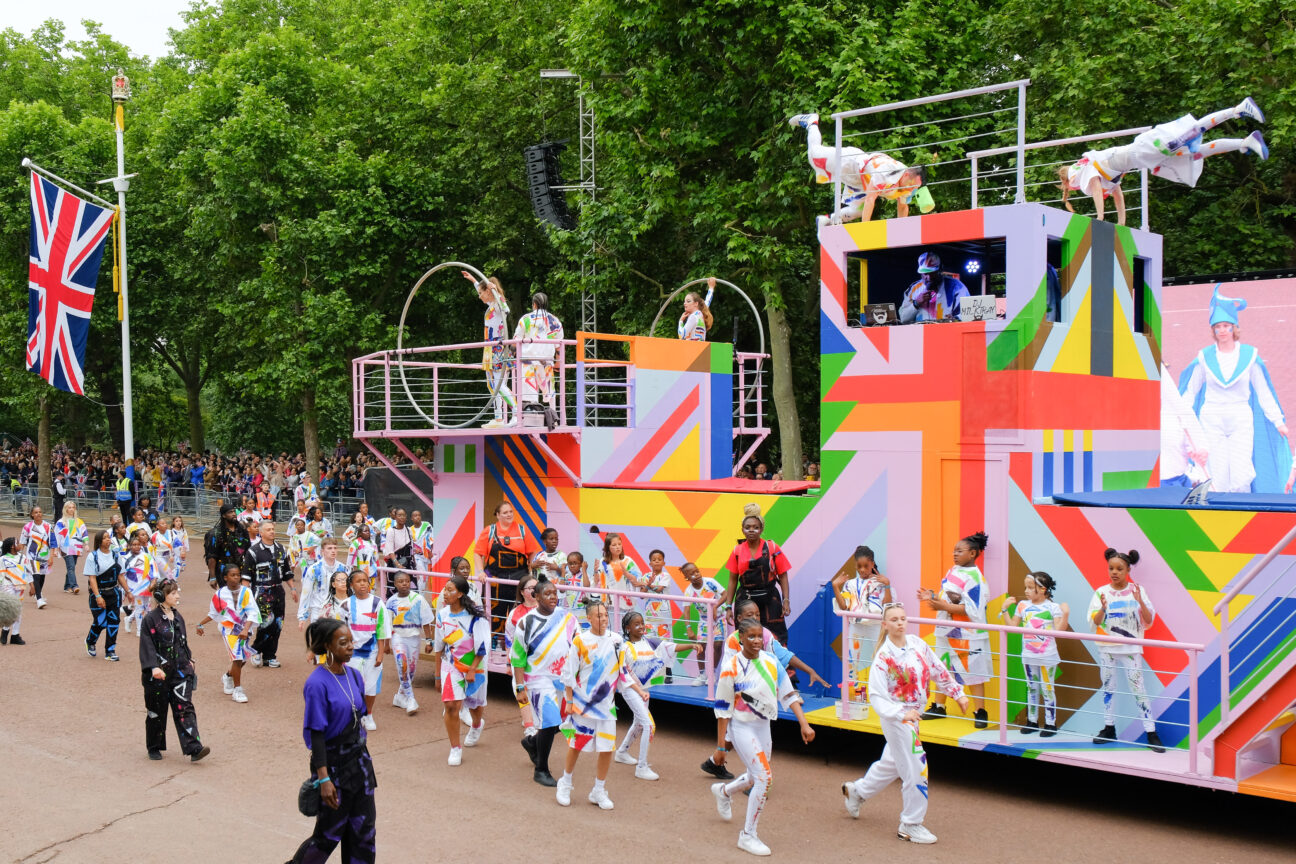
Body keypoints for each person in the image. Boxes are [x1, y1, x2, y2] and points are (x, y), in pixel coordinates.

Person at [841, 603, 970, 845]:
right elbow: (877, 696)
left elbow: (937, 668)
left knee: (891, 762)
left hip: (913, 716)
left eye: (902, 618)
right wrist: (900, 713)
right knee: (916, 766)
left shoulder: (918, 644)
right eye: (894, 619)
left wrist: (957, 693)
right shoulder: (883, 658)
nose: (900, 622)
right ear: (885, 624)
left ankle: (857, 791)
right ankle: (910, 824)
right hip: (897, 719)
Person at [1061, 98, 1267, 222]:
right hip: (1147, 157)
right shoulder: (1102, 170)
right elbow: (1117, 195)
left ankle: (1238, 110)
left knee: (1192, 132)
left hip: (1144, 151)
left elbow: (1096, 187)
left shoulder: (1086, 174)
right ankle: (1244, 143)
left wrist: (1100, 216)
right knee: (1197, 153)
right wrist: (1121, 223)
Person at [711, 616, 816, 857]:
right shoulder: (731, 668)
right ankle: (748, 835)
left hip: (763, 726)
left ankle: (724, 792)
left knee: (754, 777)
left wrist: (804, 724)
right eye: (751, 636)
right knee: (764, 778)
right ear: (741, 638)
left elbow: (789, 694)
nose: (757, 640)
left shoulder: (771, 661)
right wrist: (721, 748)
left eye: (760, 636)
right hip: (741, 728)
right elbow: (722, 710)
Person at [1179, 286, 1290, 493]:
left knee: (1241, 474)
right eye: (1218, 326)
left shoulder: (1250, 356)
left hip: (1240, 417)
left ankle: (1243, 514)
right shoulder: (1204, 357)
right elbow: (1190, 392)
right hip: (1211, 417)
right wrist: (1181, 418)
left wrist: (1277, 421)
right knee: (1216, 476)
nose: (1222, 330)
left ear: (1234, 328)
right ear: (1213, 330)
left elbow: (1264, 392)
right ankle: (1216, 515)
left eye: (1226, 326)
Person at [292, 619, 377, 864]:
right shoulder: (317, 683)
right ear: (327, 646)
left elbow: (358, 716)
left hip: (360, 765)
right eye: (343, 643)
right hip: (333, 766)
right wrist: (324, 778)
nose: (351, 646)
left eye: (351, 641)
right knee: (328, 835)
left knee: (364, 832)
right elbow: (316, 734)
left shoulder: (355, 675)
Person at [556, 599, 645, 810]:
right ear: (588, 618)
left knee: (607, 748)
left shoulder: (616, 641)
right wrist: (569, 701)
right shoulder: (580, 641)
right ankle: (565, 782)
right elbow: (569, 673)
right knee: (577, 745)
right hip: (582, 704)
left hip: (607, 705)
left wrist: (639, 690)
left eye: (605, 615)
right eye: (598, 616)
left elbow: (622, 670)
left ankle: (599, 789)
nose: (603, 619)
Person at [788, 113, 933, 225]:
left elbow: (902, 207)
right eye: (912, 185)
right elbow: (870, 199)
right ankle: (811, 122)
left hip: (861, 181)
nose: (911, 190)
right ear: (906, 174)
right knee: (814, 156)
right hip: (850, 163)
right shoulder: (886, 172)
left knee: (856, 211)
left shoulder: (908, 185)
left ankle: (826, 219)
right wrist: (865, 229)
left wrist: (902, 231)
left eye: (915, 188)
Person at [1088, 548, 1162, 751]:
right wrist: (1102, 608)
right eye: (1111, 568)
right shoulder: (1101, 592)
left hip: (1130, 648)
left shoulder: (1138, 590)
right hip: (1107, 648)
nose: (1114, 572)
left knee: (1139, 689)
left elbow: (1148, 621)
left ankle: (1151, 732)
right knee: (1108, 688)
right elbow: (1094, 621)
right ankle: (1108, 728)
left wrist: (1140, 602)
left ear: (1128, 569)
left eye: (1119, 568)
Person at [511, 576, 579, 787]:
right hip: (537, 678)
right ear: (536, 596)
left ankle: (532, 743)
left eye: (555, 594)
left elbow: (578, 646)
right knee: (550, 721)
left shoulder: (568, 618)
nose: (552, 598)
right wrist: (520, 686)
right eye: (547, 594)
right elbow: (518, 656)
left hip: (561, 678)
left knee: (559, 722)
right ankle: (541, 770)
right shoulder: (526, 622)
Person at [615, 609, 699, 780]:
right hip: (630, 690)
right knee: (649, 725)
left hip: (644, 690)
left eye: (642, 623)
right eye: (636, 624)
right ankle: (642, 766)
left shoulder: (650, 642)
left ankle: (622, 752)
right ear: (627, 628)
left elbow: (671, 647)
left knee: (639, 723)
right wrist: (639, 691)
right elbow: (624, 672)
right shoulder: (624, 647)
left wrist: (691, 645)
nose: (641, 627)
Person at [919, 531, 990, 728]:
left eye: (960, 551)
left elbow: (973, 610)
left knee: (973, 670)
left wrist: (943, 607)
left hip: (967, 634)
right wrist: (931, 595)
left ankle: (980, 711)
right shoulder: (953, 571)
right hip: (946, 630)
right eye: (954, 550)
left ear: (973, 553)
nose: (955, 554)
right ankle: (939, 706)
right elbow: (949, 597)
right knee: (942, 667)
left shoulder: (976, 578)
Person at [139, 578, 211, 762]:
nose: (177, 596)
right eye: (173, 593)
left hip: (180, 672)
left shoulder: (178, 617)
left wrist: (189, 659)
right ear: (161, 595)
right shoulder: (150, 619)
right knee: (156, 711)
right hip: (158, 675)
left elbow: (182, 642)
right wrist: (154, 666)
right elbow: (147, 645)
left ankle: (194, 748)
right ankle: (154, 746)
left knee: (184, 708)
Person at [1001, 571, 1069, 736]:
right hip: (1028, 655)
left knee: (1047, 689)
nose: (1026, 591)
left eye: (1030, 588)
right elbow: (1013, 628)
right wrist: (1004, 610)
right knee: (1031, 687)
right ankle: (1032, 721)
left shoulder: (1053, 607)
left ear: (1043, 589)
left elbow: (1060, 631)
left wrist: (1065, 614)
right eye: (1026, 587)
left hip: (1047, 656)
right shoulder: (1023, 605)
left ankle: (1050, 723)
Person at [432, 573, 489, 765]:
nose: (445, 594)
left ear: (460, 594)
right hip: (451, 664)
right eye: (444, 589)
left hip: (474, 665)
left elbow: (482, 647)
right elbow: (439, 646)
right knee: (451, 705)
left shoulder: (475, 616)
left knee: (475, 704)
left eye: (450, 590)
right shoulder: (442, 615)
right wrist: (437, 676)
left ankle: (476, 725)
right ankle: (455, 748)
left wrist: (472, 669)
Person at [831, 545, 892, 713]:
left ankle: (883, 696)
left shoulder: (881, 582)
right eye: (859, 566)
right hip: (856, 626)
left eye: (866, 566)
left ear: (872, 563)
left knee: (881, 660)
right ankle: (855, 698)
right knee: (852, 662)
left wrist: (887, 586)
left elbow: (888, 605)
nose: (862, 570)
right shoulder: (850, 584)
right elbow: (844, 607)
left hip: (875, 626)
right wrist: (836, 587)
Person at [719, 509, 793, 644]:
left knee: (776, 638)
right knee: (746, 638)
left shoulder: (772, 548)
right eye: (747, 527)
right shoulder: (737, 551)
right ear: (742, 530)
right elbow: (732, 580)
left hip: (770, 600)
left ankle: (775, 665)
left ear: (761, 529)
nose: (751, 530)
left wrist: (786, 600)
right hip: (745, 601)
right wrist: (729, 606)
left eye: (755, 527)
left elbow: (783, 576)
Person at [195, 564, 261, 704]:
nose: (236, 578)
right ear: (225, 578)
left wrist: (245, 629)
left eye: (238, 575)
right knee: (237, 658)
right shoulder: (219, 595)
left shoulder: (246, 592)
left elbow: (252, 612)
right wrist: (200, 624)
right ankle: (238, 690)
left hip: (245, 630)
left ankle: (228, 676)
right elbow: (213, 614)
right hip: (229, 630)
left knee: (242, 659)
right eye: (233, 575)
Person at [475, 501, 540, 643]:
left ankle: (517, 642)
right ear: (498, 515)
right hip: (495, 581)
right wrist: (481, 572)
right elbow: (478, 553)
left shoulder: (522, 530)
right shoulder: (489, 531)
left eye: (511, 511)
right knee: (494, 612)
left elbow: (532, 552)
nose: (509, 514)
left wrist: (529, 568)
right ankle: (493, 642)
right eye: (505, 512)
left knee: (518, 611)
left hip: (519, 579)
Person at [464, 269, 516, 428]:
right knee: (492, 384)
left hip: (498, 347)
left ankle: (517, 412)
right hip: (489, 348)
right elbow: (484, 293)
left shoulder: (499, 306)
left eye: (481, 292)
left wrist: (495, 290)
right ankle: (499, 418)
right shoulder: (491, 305)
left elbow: (505, 308)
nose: (479, 296)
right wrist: (473, 280)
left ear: (489, 291)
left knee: (498, 384)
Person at [245, 521, 297, 669]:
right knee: (266, 624)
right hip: (262, 592)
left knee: (278, 625)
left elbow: (287, 572)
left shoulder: (281, 549)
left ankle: (270, 656)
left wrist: (293, 589)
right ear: (261, 533)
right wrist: (243, 597)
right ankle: (256, 650)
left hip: (278, 591)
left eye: (273, 529)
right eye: (268, 529)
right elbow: (246, 576)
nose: (272, 531)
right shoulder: (253, 551)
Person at [385, 571, 434, 716]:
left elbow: (426, 622)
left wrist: (429, 640)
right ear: (395, 584)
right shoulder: (391, 601)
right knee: (402, 665)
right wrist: (386, 644)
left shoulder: (418, 599)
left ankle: (400, 696)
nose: (404, 584)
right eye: (401, 581)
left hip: (414, 637)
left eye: (407, 581)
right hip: (398, 637)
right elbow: (387, 624)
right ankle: (411, 699)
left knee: (411, 670)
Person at [345, 570, 390, 730]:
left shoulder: (378, 604)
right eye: (358, 581)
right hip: (352, 654)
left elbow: (382, 630)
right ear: (351, 585)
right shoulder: (346, 605)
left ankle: (368, 714)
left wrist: (380, 653)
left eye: (365, 580)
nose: (363, 584)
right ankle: (354, 715)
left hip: (371, 653)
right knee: (353, 685)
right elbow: (340, 631)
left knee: (371, 686)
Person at [513, 291, 564, 416]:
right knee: (550, 391)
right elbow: (559, 346)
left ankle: (533, 417)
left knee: (530, 392)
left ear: (534, 304)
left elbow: (515, 342)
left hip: (528, 361)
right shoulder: (555, 321)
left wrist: (512, 355)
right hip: (547, 361)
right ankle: (555, 417)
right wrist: (558, 362)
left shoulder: (525, 319)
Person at [84, 530, 125, 659]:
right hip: (99, 593)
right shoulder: (93, 556)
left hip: (113, 592)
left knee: (114, 621)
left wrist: (128, 591)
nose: (108, 540)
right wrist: (98, 596)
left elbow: (120, 575)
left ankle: (110, 650)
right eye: (105, 538)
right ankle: (90, 641)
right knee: (101, 622)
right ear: (99, 541)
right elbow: (92, 578)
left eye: (109, 538)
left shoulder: (116, 556)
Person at [899, 252, 971, 324]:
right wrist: (916, 303)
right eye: (926, 274)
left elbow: (969, 314)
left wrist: (955, 319)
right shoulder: (913, 289)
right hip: (922, 334)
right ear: (921, 273)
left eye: (933, 273)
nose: (929, 278)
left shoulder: (956, 287)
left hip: (947, 333)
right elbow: (903, 319)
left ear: (940, 270)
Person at [589, 532, 644, 621]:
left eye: (619, 544)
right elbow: (596, 581)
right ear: (608, 548)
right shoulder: (603, 561)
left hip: (625, 603)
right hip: (609, 604)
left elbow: (637, 581)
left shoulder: (628, 561)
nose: (618, 547)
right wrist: (595, 570)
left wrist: (627, 574)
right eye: (614, 545)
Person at [299, 538, 350, 628]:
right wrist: (302, 616)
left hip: (339, 611)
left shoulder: (344, 568)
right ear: (322, 551)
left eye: (335, 548)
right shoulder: (314, 569)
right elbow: (306, 593)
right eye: (329, 548)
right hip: (318, 611)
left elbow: (349, 590)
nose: (333, 551)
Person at [205, 503, 250, 589]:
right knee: (227, 597)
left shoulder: (242, 530)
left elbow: (248, 550)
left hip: (240, 568)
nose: (233, 514)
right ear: (224, 516)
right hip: (224, 571)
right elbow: (211, 557)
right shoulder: (215, 534)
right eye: (230, 512)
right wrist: (213, 577)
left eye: (234, 511)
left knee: (241, 596)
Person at [121, 531, 157, 636]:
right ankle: (140, 630)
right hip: (134, 587)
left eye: (138, 545)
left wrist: (153, 581)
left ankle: (129, 619)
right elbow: (122, 575)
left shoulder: (147, 556)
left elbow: (153, 569)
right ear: (129, 546)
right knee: (140, 607)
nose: (136, 547)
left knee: (147, 608)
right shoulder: (125, 559)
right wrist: (126, 590)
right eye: (133, 545)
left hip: (146, 586)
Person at [19, 505, 54, 610]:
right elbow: (22, 543)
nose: (38, 514)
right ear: (32, 515)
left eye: (40, 512)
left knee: (42, 577)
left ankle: (37, 593)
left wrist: (51, 556)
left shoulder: (48, 526)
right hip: (32, 556)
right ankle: (39, 599)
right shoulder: (27, 527)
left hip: (45, 555)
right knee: (36, 576)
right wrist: (19, 555)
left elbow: (53, 542)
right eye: (36, 512)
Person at [0, 538, 30, 645]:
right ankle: (5, 630)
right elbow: (1, 575)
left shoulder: (24, 558)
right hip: (7, 586)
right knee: (9, 610)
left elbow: (28, 572)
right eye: (17, 543)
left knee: (18, 610)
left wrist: (32, 586)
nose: (20, 544)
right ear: (12, 546)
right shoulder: (3, 559)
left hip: (21, 586)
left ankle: (15, 635)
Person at [54, 501, 87, 595]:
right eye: (69, 507)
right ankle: (74, 586)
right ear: (65, 509)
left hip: (76, 547)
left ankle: (67, 586)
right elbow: (57, 536)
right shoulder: (60, 522)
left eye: (73, 507)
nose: (71, 509)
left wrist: (86, 543)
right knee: (71, 566)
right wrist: (56, 549)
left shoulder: (79, 521)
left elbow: (84, 532)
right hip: (65, 548)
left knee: (71, 567)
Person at [409, 509, 434, 577]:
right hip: (418, 556)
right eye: (415, 516)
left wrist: (430, 551)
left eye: (419, 515)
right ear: (411, 518)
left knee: (428, 576)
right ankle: (420, 588)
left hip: (428, 555)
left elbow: (431, 538)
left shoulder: (427, 525)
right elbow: (410, 544)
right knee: (422, 575)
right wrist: (414, 550)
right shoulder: (410, 530)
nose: (418, 517)